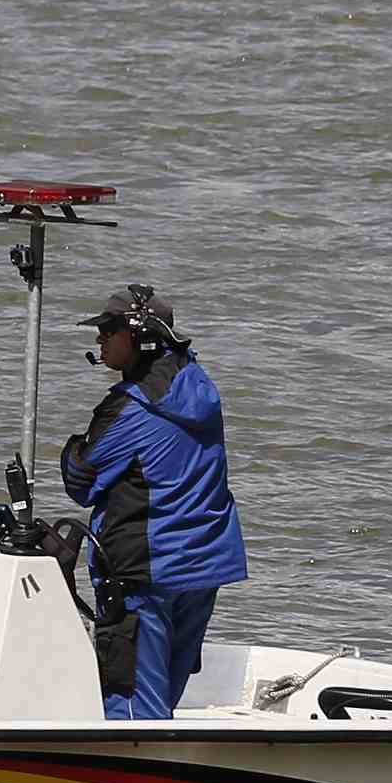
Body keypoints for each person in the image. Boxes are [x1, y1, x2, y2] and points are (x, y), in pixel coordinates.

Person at [62, 283, 245, 718]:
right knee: (164, 698)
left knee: (134, 711)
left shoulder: (130, 406)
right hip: (202, 567)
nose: (100, 338)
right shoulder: (199, 386)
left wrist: (72, 448)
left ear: (140, 336)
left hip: (145, 571)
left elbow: (80, 480)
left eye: (109, 329)